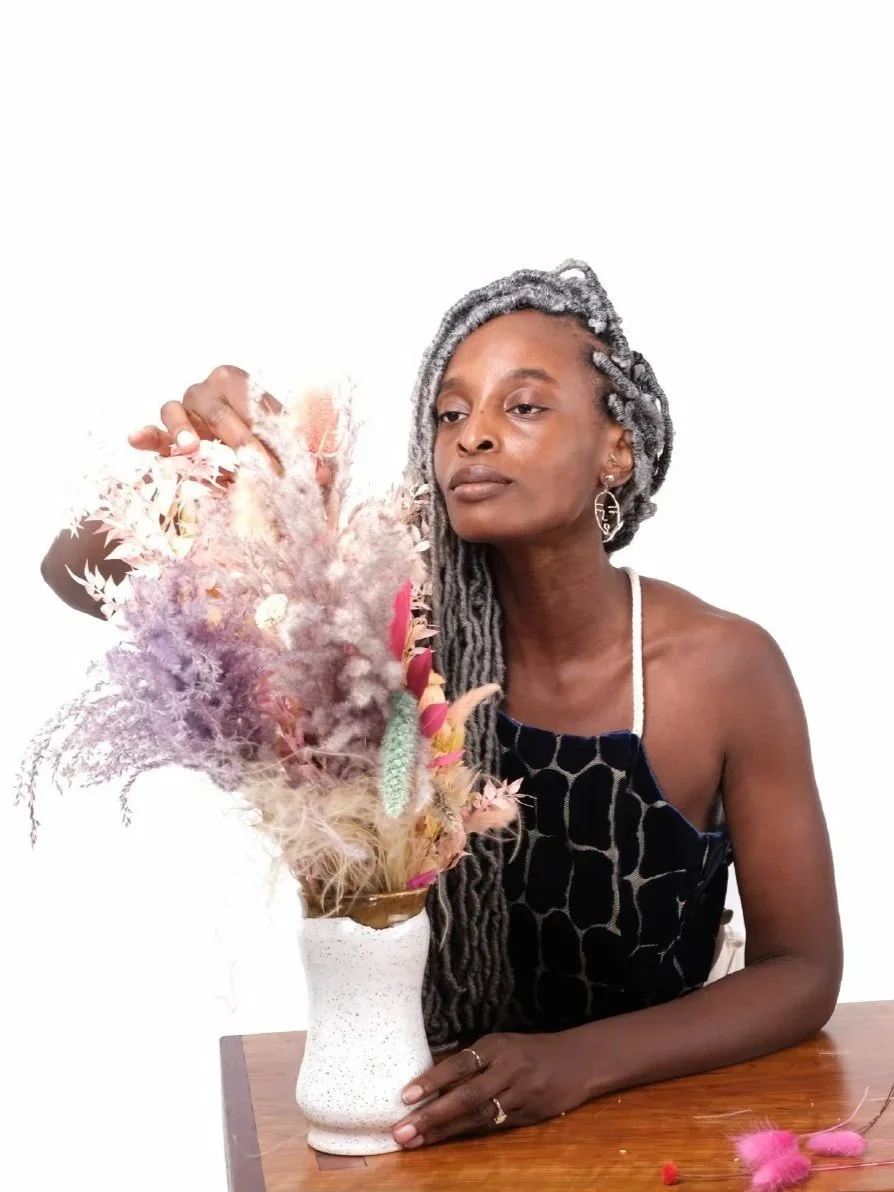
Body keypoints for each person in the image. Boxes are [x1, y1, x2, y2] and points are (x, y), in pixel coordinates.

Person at [41, 260, 842, 1150]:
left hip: (654, 1126)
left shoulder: (723, 667)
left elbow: (800, 969)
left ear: (617, 446)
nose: (475, 437)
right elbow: (73, 570)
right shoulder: (376, 635)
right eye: (450, 414)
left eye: (523, 406)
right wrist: (210, 460)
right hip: (422, 1126)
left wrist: (575, 1064)